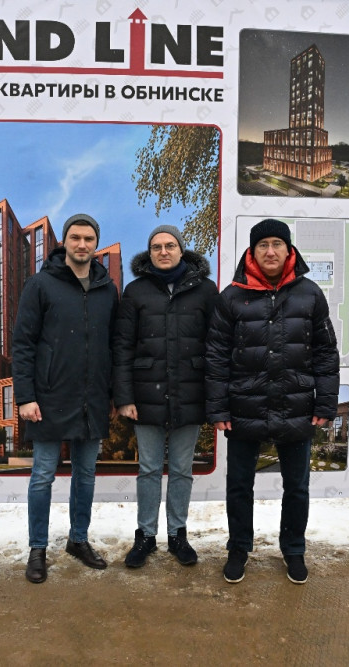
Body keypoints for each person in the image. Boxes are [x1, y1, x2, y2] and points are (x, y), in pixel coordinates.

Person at [205, 218, 339, 585]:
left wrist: (325, 404)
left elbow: (326, 352)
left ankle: (294, 549)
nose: (270, 251)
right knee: (239, 485)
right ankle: (238, 548)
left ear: (288, 249)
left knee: (297, 487)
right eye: (262, 245)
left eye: (277, 244)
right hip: (244, 407)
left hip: (297, 406)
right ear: (252, 252)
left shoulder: (310, 294)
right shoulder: (232, 296)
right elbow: (216, 356)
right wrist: (218, 408)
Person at [12, 213, 118, 584]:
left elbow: (114, 346)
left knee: (85, 475)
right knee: (42, 476)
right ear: (65, 242)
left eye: (89, 238)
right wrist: (25, 396)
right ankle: (37, 548)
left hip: (92, 398)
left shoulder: (108, 289)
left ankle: (78, 540)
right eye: (75, 238)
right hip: (48, 397)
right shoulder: (40, 284)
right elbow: (23, 344)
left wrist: (114, 394)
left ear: (96, 244)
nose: (82, 244)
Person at [113, 225, 218, 568]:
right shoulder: (136, 291)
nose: (163, 251)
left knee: (182, 469)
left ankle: (178, 535)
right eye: (156, 246)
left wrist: (214, 398)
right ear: (150, 253)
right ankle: (145, 535)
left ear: (181, 250)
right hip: (146, 394)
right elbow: (123, 346)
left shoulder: (206, 290)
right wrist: (124, 397)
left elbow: (217, 345)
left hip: (191, 393)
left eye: (170, 245)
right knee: (148, 468)